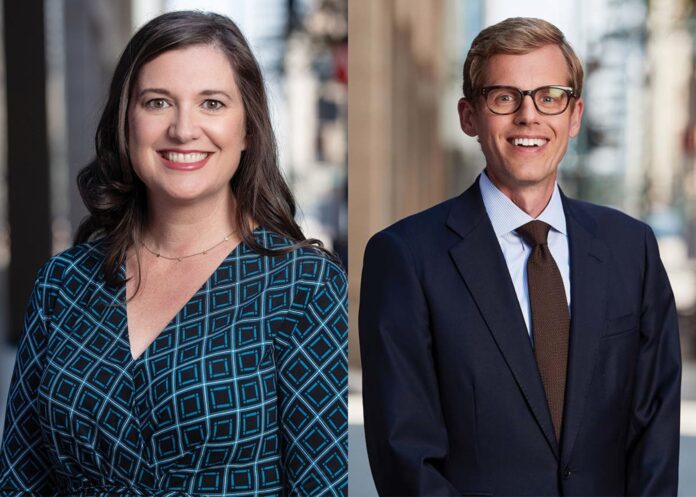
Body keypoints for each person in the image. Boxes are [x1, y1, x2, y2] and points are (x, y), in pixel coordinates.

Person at [0, 10, 347, 496]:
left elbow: (321, 487)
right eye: (158, 102)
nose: (183, 129)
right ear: (126, 122)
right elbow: (20, 476)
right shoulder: (63, 282)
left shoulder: (302, 285)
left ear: (248, 129)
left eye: (212, 103)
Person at [359, 17, 681, 496]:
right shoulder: (405, 257)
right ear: (469, 116)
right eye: (504, 97)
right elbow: (405, 455)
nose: (529, 116)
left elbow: (655, 427)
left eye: (550, 96)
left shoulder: (631, 248)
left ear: (574, 116)